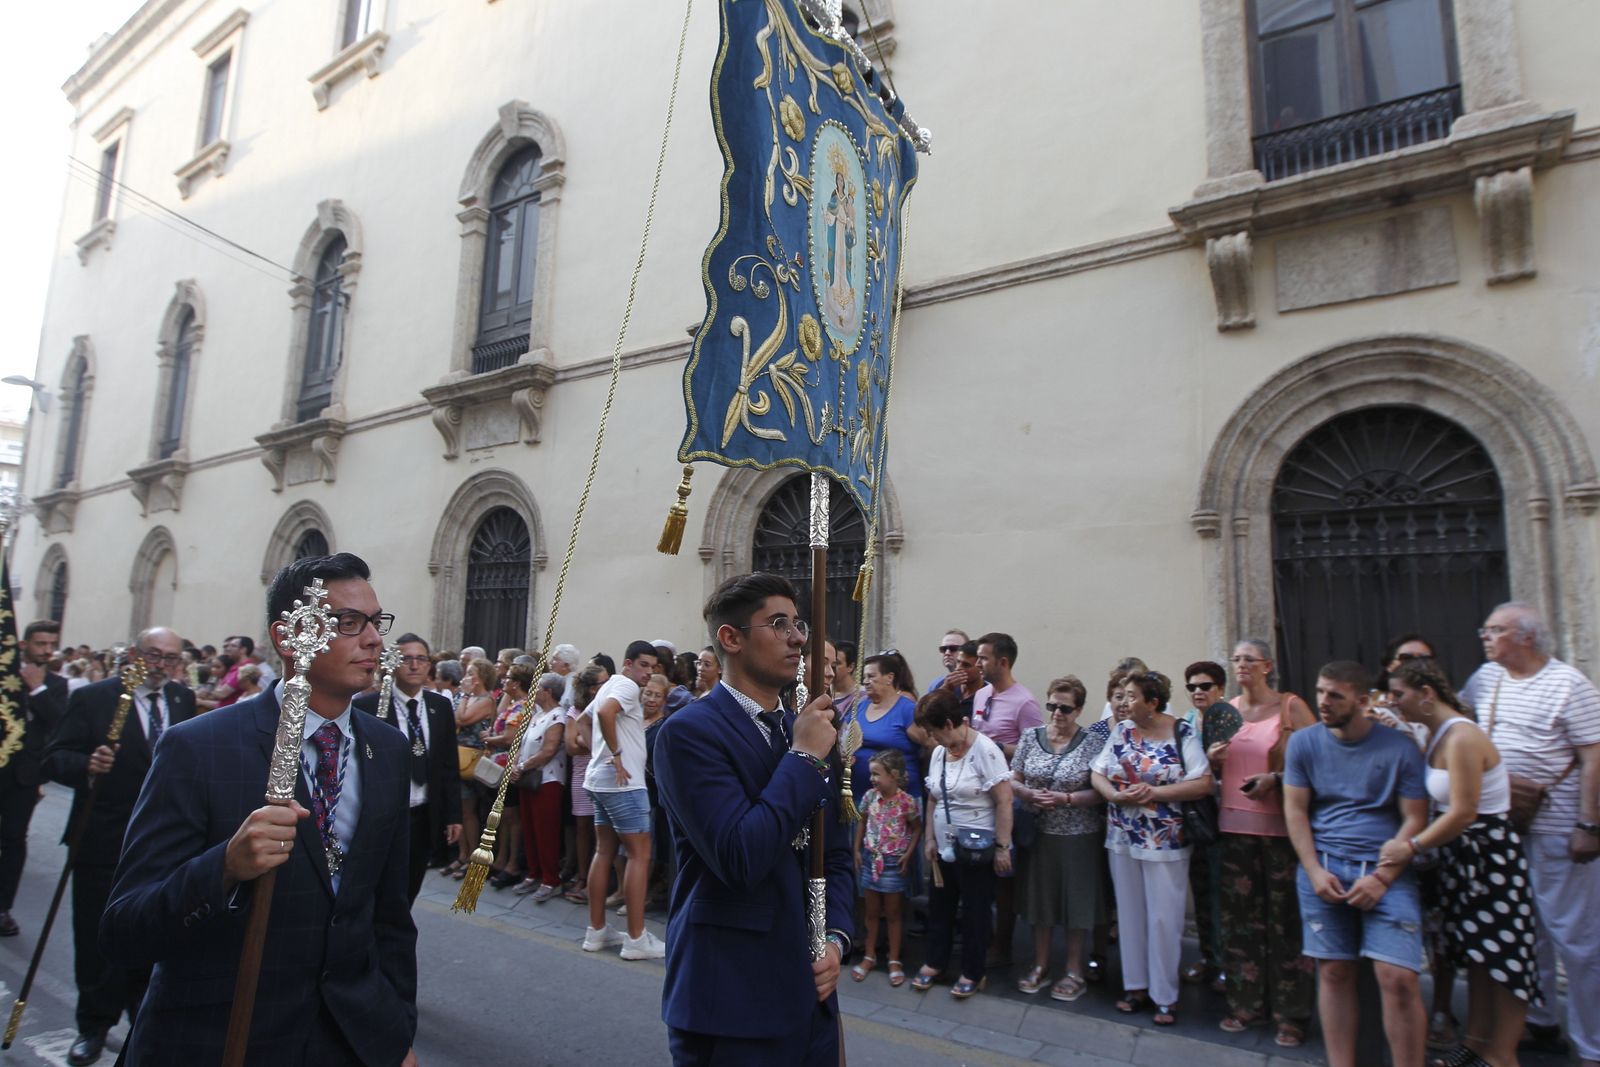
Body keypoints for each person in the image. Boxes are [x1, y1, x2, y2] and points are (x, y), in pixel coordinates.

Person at [101, 552, 418, 1065]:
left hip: (349, 1036)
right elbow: (124, 929)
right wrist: (224, 867)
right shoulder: (199, 747)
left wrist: (395, 1031)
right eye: (348, 622)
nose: (374, 640)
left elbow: (389, 914)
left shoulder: (388, 749)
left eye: (375, 622)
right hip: (219, 1037)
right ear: (288, 636)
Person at [654, 572, 854, 1064]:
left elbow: (834, 856)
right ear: (731, 638)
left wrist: (834, 939)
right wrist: (804, 758)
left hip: (811, 994)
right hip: (731, 996)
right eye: (778, 623)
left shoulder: (807, 730)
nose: (798, 638)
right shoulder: (688, 733)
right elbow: (740, 855)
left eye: (799, 623)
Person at [43, 631, 197, 1067]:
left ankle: (142, 1020)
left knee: (152, 932)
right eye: (153, 655)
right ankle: (93, 1024)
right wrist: (87, 764)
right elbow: (55, 757)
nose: (161, 665)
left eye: (171, 658)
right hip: (104, 836)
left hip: (164, 842)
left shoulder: (182, 698)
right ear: (133, 655)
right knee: (97, 934)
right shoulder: (95, 698)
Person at [1381, 657, 1540, 1067]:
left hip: (1489, 857)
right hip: (1463, 857)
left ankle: (1502, 1055)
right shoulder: (1438, 735)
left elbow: (1464, 811)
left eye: (1399, 694)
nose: (1393, 701)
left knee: (1503, 955)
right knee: (1478, 955)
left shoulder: (1462, 737)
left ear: (1426, 694)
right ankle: (1476, 1043)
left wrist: (1411, 846)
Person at [1460, 602, 1600, 1065]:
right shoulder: (1487, 678)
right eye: (1485, 629)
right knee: (1526, 930)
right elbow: (1461, 716)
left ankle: (1593, 1045)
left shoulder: (1568, 684)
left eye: (1495, 630)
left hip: (1559, 828)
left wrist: (1589, 824)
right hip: (1506, 826)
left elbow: (1594, 757)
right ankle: (1540, 1021)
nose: (1485, 636)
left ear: (1526, 637)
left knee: (1576, 938)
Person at [1283, 660, 1429, 1067]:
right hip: (1325, 866)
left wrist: (1383, 877)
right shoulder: (1304, 743)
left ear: (1363, 701)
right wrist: (1313, 869)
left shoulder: (1399, 748)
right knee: (1334, 972)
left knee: (1398, 977)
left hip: (1385, 870)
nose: (1323, 702)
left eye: (1335, 695)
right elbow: (1295, 810)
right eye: (1320, 692)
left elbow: (1416, 818)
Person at [1090, 670, 1213, 1025]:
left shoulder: (1181, 732)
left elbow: (1203, 782)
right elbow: (1098, 771)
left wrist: (1154, 793)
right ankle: (1136, 987)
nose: (1124, 702)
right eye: (1123, 695)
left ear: (1153, 702)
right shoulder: (1122, 731)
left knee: (1163, 918)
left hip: (1165, 838)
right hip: (1122, 834)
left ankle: (1165, 996)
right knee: (1129, 914)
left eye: (1132, 696)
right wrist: (1112, 795)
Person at [1208, 646, 1315, 1044]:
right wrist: (1212, 758)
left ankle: (1291, 1013)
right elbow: (1210, 768)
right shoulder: (1225, 711)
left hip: (1282, 830)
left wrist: (1277, 779)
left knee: (1285, 921)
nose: (1241, 666)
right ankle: (1245, 1004)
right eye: (1236, 659)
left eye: (1249, 659)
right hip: (1233, 828)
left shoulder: (1291, 707)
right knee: (1239, 922)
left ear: (1268, 666)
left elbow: (1319, 759)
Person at [1011, 675, 1109, 1002]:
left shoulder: (1093, 742)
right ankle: (1040, 965)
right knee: (1040, 902)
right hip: (1038, 834)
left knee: (1075, 903)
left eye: (1065, 708)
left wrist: (1066, 799)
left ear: (1078, 710)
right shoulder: (1030, 737)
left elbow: (1100, 791)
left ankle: (1073, 969)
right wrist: (1027, 793)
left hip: (1078, 835)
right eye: (1052, 705)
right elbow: (1013, 777)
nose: (1057, 713)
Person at [913, 686, 1014, 998]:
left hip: (976, 849)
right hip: (944, 846)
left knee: (975, 911)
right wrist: (929, 838)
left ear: (948, 724)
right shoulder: (939, 753)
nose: (931, 738)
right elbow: (933, 798)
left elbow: (1004, 800)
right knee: (940, 906)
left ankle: (973, 970)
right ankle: (935, 962)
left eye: (933, 731)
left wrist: (1002, 847)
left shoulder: (986, 751)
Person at [353, 632, 462, 903]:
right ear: (392, 663)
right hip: (385, 814)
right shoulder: (368, 706)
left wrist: (453, 815)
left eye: (421, 659)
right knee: (377, 887)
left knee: (410, 885)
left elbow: (448, 764)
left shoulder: (440, 706)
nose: (414, 665)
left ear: (429, 665)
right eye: (406, 659)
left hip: (424, 813)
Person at [581, 639, 665, 961]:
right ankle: (636, 939)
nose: (648, 673)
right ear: (628, 663)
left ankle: (596, 931)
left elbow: (584, 720)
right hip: (624, 784)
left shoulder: (610, 684)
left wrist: (599, 754)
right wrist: (615, 754)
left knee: (604, 851)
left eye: (653, 667)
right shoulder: (626, 687)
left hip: (600, 782)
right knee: (639, 856)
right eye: (643, 665)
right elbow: (603, 713)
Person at [970, 632, 1041, 968]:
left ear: (1003, 661)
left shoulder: (1025, 702)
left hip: (1005, 799)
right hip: (975, 796)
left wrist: (996, 747)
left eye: (983, 658)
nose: (978, 663)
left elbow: (1033, 751)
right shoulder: (981, 694)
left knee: (1004, 876)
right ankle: (979, 938)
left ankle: (1003, 944)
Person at [1177, 659, 1243, 993]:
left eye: (1205, 686)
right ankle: (1208, 957)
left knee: (1224, 894)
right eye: (1192, 687)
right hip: (1195, 816)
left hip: (1225, 815)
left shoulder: (1230, 719)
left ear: (1220, 688)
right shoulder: (1187, 722)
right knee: (1201, 890)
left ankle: (1229, 963)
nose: (1198, 692)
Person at [0, 619, 69, 938]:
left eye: (51, 644)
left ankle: (3, 907)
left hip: (25, 775)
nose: (46, 650)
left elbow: (60, 723)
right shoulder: (5, 676)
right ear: (24, 645)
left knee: (14, 839)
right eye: (40, 643)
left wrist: (38, 689)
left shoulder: (56, 685)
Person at [851, 749, 919, 988]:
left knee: (893, 914)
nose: (872, 779)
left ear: (894, 775)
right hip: (871, 860)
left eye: (877, 774)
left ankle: (894, 959)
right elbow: (862, 822)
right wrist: (856, 850)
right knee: (871, 912)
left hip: (893, 863)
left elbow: (916, 828)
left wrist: (908, 854)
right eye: (871, 774)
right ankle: (869, 954)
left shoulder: (906, 802)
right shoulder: (869, 797)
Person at [510, 672, 567, 899]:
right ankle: (533, 873)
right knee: (529, 828)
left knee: (545, 831)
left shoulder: (557, 716)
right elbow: (523, 744)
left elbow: (549, 750)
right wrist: (515, 765)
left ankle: (551, 879)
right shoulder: (537, 714)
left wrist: (522, 766)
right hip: (528, 779)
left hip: (547, 780)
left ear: (548, 692)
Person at [442, 658, 497, 879]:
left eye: (471, 673)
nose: (466, 677)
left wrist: (464, 696)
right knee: (460, 810)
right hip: (458, 755)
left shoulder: (486, 700)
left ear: (481, 677)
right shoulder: (468, 698)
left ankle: (473, 856)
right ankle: (462, 854)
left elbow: (462, 719)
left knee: (469, 811)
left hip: (472, 759)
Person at [481, 664, 534, 890]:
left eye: (509, 678)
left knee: (511, 817)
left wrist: (488, 739)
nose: (503, 680)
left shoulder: (522, 705)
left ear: (517, 683)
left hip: (509, 765)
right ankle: (501, 858)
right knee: (503, 816)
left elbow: (509, 737)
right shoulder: (514, 703)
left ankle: (511, 862)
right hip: (501, 764)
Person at [850, 651, 927, 802]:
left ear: (889, 678)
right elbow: (845, 739)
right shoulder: (859, 707)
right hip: (862, 798)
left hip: (899, 802)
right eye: (864, 677)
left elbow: (929, 743)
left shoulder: (907, 709)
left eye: (871, 676)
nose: (865, 682)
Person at [563, 663, 605, 903]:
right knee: (582, 827)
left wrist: (583, 739)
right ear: (591, 688)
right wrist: (590, 742)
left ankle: (595, 878)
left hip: (600, 771)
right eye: (603, 682)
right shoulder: (575, 710)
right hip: (581, 774)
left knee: (600, 829)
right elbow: (570, 746)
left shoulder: (607, 705)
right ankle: (581, 875)